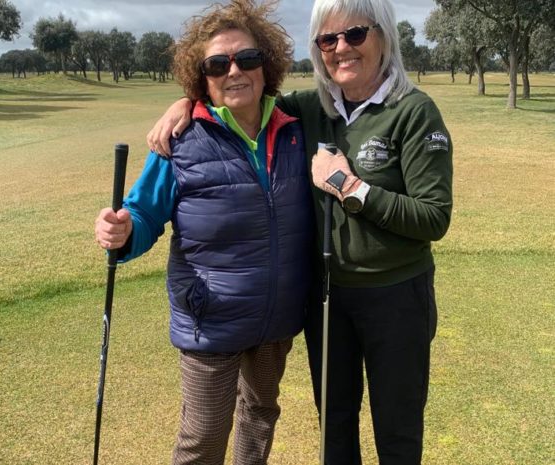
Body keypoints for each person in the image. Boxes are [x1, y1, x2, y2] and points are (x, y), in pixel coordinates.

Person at [147, 0, 453, 463]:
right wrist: (186, 102)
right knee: (334, 427)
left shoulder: (412, 110)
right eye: (327, 40)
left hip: (396, 296)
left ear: (384, 36)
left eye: (355, 34)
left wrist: (349, 186)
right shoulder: (308, 109)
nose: (340, 49)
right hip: (326, 300)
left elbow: (434, 217)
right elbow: (239, 98)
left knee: (398, 429)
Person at [94, 1, 314, 464]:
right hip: (209, 321)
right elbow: (143, 215)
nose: (234, 71)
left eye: (247, 59)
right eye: (217, 64)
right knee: (204, 435)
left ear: (266, 64)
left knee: (260, 415)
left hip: (277, 317)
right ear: (202, 77)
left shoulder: (296, 129)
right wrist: (123, 231)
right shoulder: (182, 139)